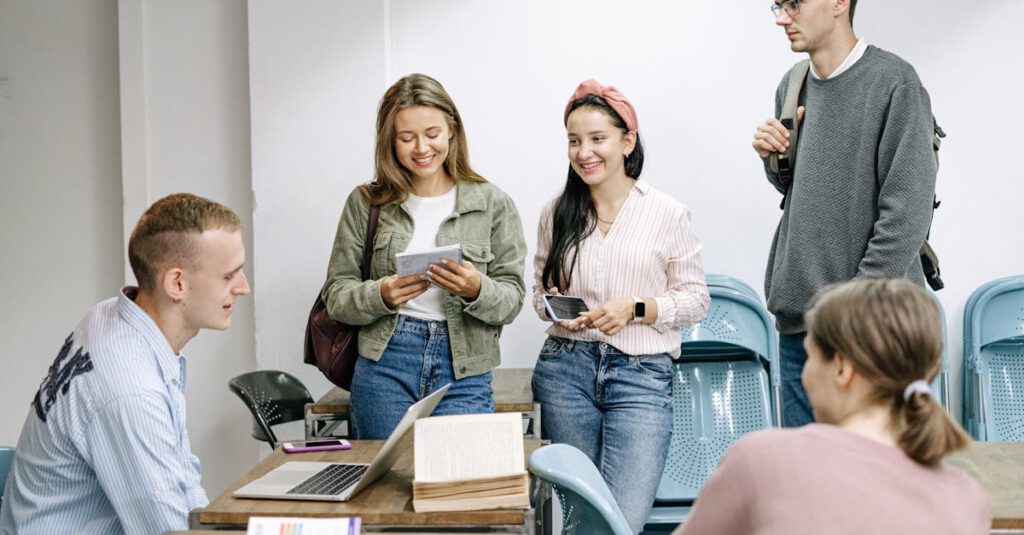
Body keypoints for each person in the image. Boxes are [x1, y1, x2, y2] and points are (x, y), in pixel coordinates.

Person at [0, 193, 251, 534]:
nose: (244, 288)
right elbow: (167, 530)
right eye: (228, 276)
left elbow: (181, 472)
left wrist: (205, 521)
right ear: (177, 283)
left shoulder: (113, 315)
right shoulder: (129, 389)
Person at [531, 79, 710, 533]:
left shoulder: (667, 213)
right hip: (565, 371)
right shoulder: (557, 213)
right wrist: (551, 304)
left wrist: (636, 308)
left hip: (643, 375)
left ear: (627, 141)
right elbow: (537, 293)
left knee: (621, 520)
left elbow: (695, 300)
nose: (584, 152)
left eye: (597, 139)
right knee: (577, 515)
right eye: (574, 141)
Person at [674, 278, 989, 534]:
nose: (804, 373)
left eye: (810, 356)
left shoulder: (762, 460)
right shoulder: (967, 499)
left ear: (841, 368)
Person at [752, 0, 939, 427]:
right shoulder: (792, 85)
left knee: (879, 480)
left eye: (794, 4)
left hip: (872, 330)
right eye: (778, 5)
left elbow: (907, 214)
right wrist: (773, 159)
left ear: (839, 3)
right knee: (808, 479)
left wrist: (850, 314)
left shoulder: (895, 83)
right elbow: (802, 192)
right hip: (800, 324)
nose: (782, 17)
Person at [322, 73, 527, 440]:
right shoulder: (365, 204)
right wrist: (381, 295)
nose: (421, 148)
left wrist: (476, 288)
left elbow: (512, 300)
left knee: (457, 486)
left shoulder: (493, 203)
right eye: (406, 137)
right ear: (389, 141)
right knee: (382, 489)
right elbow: (337, 296)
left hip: (464, 368)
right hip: (385, 363)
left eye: (432, 133)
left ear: (452, 130)